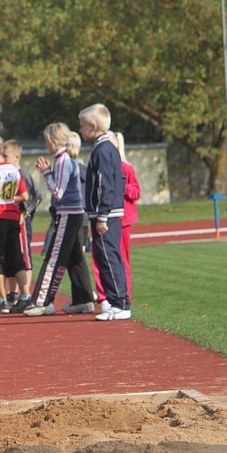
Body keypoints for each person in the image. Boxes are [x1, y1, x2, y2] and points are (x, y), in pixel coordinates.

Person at [24, 123, 94, 317]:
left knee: (54, 257)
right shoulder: (66, 159)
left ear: (54, 141)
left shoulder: (63, 160)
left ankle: (43, 301)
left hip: (68, 214)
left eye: (47, 141)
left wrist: (46, 173)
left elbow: (58, 192)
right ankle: (84, 299)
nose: (45, 145)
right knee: (75, 258)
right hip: (74, 213)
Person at [80, 103, 131, 320]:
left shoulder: (102, 150)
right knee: (108, 257)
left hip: (107, 215)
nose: (81, 131)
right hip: (110, 212)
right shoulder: (108, 148)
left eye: (82, 126)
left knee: (108, 258)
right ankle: (116, 301)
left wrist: (102, 215)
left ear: (93, 126)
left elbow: (105, 184)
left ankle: (120, 303)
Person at [92, 132, 140, 306]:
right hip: (108, 215)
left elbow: (136, 192)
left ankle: (123, 294)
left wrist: (120, 187)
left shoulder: (126, 168)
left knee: (120, 258)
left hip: (123, 218)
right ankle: (105, 294)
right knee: (101, 256)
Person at [0, 134, 31, 314]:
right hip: (13, 214)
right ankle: (25, 295)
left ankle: (2, 298)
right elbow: (25, 195)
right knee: (16, 258)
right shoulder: (14, 170)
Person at [2, 139, 41, 307]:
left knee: (24, 256)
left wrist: (25, 213)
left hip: (22, 221)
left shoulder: (22, 174)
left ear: (16, 157)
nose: (3, 159)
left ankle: (26, 294)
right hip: (9, 220)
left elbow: (37, 196)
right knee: (11, 255)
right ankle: (13, 293)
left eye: (6, 156)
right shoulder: (7, 174)